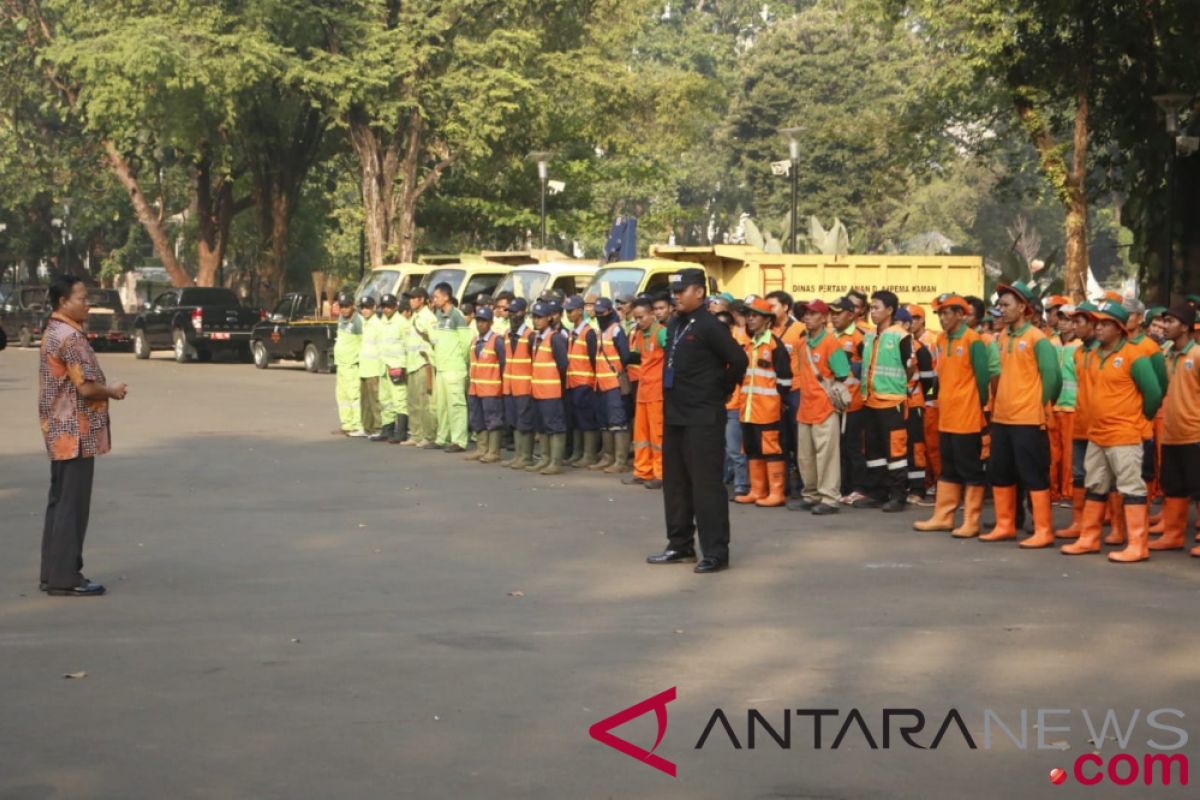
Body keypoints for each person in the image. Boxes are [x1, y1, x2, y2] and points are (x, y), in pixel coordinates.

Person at [647, 269, 748, 573]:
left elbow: (739, 360)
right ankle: (680, 544)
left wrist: (721, 388)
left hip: (703, 415)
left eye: (681, 291)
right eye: (673, 291)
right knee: (675, 484)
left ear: (699, 293)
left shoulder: (710, 325)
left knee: (705, 486)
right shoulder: (677, 322)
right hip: (676, 413)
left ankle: (716, 552)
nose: (675, 296)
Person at [37, 274, 128, 597]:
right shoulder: (70, 338)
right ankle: (65, 577)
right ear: (63, 302)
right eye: (82, 298)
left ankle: (53, 572)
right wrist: (113, 390)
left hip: (59, 430)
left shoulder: (53, 330)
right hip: (74, 432)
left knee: (60, 502)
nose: (87, 303)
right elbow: (87, 387)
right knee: (72, 506)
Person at [1060, 302, 1162, 561]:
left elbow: (1154, 393)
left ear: (1118, 328)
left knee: (1131, 488)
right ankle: (1089, 538)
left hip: (1124, 435)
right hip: (1097, 434)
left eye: (1104, 324)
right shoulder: (1093, 356)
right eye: (1098, 323)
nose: (1099, 327)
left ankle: (1138, 545)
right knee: (1095, 485)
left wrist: (1139, 420)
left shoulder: (1134, 356)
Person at [980, 281, 1061, 546]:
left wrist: (1040, 406)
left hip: (1027, 419)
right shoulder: (1002, 337)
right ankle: (1006, 525)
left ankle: (1043, 530)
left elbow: (1053, 378)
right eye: (999, 305)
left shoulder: (1038, 338)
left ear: (1023, 307)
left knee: (1033, 474)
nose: (1000, 310)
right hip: (1002, 418)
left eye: (1006, 305)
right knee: (1000, 472)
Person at [913, 294, 990, 536]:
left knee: (970, 470)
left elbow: (983, 379)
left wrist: (978, 408)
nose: (942, 318)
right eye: (940, 313)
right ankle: (944, 516)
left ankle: (971, 520)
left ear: (960, 314)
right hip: (946, 416)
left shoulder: (973, 340)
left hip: (967, 418)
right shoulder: (942, 339)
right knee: (948, 469)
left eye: (947, 313)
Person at [788, 299, 849, 515]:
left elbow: (843, 373)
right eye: (805, 313)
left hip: (824, 408)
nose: (807, 317)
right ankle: (811, 495)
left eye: (813, 314)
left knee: (827, 457)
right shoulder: (804, 342)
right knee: (806, 457)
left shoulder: (831, 343)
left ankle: (830, 498)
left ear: (824, 318)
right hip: (806, 408)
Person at [1148, 304, 1200, 553]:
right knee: (1174, 487)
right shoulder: (1167, 355)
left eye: (1171, 321)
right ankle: (1173, 535)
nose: (1165, 326)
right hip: (1171, 434)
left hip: (1195, 434)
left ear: (1186, 327)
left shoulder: (1198, 355)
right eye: (1164, 321)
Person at [732, 297, 792, 508]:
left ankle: (776, 493)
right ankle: (757, 490)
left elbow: (785, 379)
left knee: (772, 450)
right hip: (748, 409)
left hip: (768, 410)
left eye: (755, 315)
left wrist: (778, 401)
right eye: (748, 315)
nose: (750, 319)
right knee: (751, 448)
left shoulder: (775, 345)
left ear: (767, 320)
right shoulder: (748, 344)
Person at [858, 290, 913, 512]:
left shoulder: (901, 335)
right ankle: (878, 493)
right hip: (870, 401)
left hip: (892, 402)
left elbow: (910, 367)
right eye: (871, 308)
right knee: (874, 452)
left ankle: (898, 496)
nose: (872, 312)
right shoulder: (869, 335)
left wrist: (897, 387)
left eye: (876, 307)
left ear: (890, 310)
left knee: (896, 452)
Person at [624, 297, 667, 489]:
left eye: (641, 317)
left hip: (657, 393)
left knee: (657, 436)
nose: (638, 321)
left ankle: (661, 473)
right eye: (635, 318)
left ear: (651, 315)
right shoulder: (640, 334)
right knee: (641, 435)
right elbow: (642, 359)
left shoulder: (661, 333)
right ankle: (642, 471)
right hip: (643, 391)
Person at [831, 296, 869, 506]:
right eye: (832, 313)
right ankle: (843, 487)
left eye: (838, 313)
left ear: (851, 314)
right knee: (839, 447)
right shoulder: (828, 335)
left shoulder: (860, 337)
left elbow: (868, 367)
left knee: (853, 447)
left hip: (854, 403)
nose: (834, 317)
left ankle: (859, 488)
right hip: (833, 403)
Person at [592, 297, 633, 473]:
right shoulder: (602, 331)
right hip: (601, 383)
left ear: (609, 311)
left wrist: (615, 371)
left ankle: (620, 460)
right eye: (597, 313)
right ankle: (608, 456)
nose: (599, 315)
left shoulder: (616, 330)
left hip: (614, 383)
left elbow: (625, 356)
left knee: (618, 421)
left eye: (602, 312)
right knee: (605, 421)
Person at [528, 300, 570, 474]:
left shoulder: (556, 338)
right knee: (542, 427)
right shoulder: (537, 338)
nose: (536, 321)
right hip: (538, 391)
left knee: (555, 427)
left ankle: (556, 462)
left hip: (551, 392)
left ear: (548, 318)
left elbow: (563, 365)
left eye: (540, 318)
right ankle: (545, 458)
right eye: (534, 317)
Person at [429, 282, 470, 453]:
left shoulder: (457, 316)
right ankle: (442, 437)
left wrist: (461, 362)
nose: (434, 300)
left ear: (446, 297)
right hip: (442, 368)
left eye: (437, 297)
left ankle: (459, 440)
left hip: (454, 368)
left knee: (456, 406)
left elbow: (466, 343)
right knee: (442, 405)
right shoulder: (438, 316)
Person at [562, 294, 600, 467]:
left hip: (585, 382)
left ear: (579, 311)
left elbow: (594, 359)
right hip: (572, 382)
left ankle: (589, 454)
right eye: (567, 312)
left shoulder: (588, 332)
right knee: (576, 419)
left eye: (571, 311)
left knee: (586, 419)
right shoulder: (572, 332)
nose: (569, 315)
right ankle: (577, 452)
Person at [465, 306, 506, 463]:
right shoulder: (475, 341)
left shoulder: (497, 340)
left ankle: (493, 451)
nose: (480, 324)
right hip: (475, 388)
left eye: (484, 321)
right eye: (478, 321)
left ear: (490, 322)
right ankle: (482, 448)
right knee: (477, 418)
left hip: (491, 389)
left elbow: (504, 363)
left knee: (493, 419)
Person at [1048, 303, 1080, 504]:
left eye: (1067, 319)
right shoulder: (1050, 343)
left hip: (1072, 406)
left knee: (1069, 453)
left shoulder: (1080, 346)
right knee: (1052, 453)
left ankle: (1068, 491)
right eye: (1061, 318)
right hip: (1052, 405)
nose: (1063, 323)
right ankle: (1052, 491)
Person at [717, 309, 750, 499]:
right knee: (719, 449)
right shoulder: (711, 350)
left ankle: (741, 485)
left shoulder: (738, 349)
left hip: (734, 406)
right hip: (718, 406)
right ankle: (721, 481)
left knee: (734, 450)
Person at [501, 298, 537, 469]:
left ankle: (526, 457)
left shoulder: (531, 336)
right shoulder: (507, 334)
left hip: (525, 388)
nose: (513, 316)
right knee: (514, 421)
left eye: (516, 312)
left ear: (524, 313)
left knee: (525, 422)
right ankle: (518, 455)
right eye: (511, 312)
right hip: (510, 387)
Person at [372, 293, 408, 443]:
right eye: (384, 306)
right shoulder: (382, 322)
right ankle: (387, 429)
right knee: (385, 399)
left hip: (397, 366)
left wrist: (404, 367)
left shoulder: (402, 323)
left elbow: (407, 346)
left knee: (399, 399)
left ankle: (401, 432)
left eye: (389, 306)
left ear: (395, 306)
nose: (386, 309)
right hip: (383, 365)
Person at [404, 287, 437, 447]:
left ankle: (428, 435)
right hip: (412, 363)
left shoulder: (428, 317)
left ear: (422, 300)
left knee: (425, 402)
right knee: (413, 402)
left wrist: (430, 357)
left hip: (423, 364)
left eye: (414, 298)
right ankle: (415, 434)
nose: (410, 300)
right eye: (410, 297)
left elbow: (435, 339)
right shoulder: (414, 317)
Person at [332, 290, 365, 437]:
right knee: (342, 396)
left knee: (354, 397)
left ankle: (357, 425)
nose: (344, 309)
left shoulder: (358, 321)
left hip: (352, 365)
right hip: (341, 365)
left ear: (353, 305)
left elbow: (365, 342)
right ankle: (346, 424)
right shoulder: (340, 318)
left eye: (346, 306)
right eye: (341, 306)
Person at [357, 295, 384, 437]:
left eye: (367, 307)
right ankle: (367, 427)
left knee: (375, 401)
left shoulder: (377, 325)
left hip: (374, 369)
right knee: (365, 402)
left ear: (374, 308)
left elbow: (381, 348)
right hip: (364, 368)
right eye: (362, 308)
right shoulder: (364, 323)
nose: (365, 310)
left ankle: (378, 428)